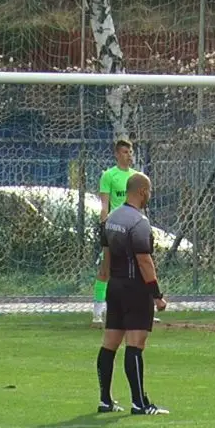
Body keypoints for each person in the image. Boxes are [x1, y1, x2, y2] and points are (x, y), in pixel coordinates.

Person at [95, 172, 169, 415]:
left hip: (115, 288)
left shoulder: (111, 219)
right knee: (135, 345)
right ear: (142, 191)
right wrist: (157, 296)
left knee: (109, 344)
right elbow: (144, 261)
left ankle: (105, 400)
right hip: (135, 289)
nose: (150, 195)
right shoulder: (139, 223)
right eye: (149, 191)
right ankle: (140, 403)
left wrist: (105, 277)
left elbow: (106, 255)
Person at [92, 138, 138, 326]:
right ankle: (97, 312)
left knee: (137, 269)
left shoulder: (136, 177)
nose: (129, 155)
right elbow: (104, 204)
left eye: (130, 152)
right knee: (106, 269)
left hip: (132, 228)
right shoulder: (109, 175)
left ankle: (136, 310)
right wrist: (104, 226)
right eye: (125, 152)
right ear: (117, 154)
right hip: (114, 228)